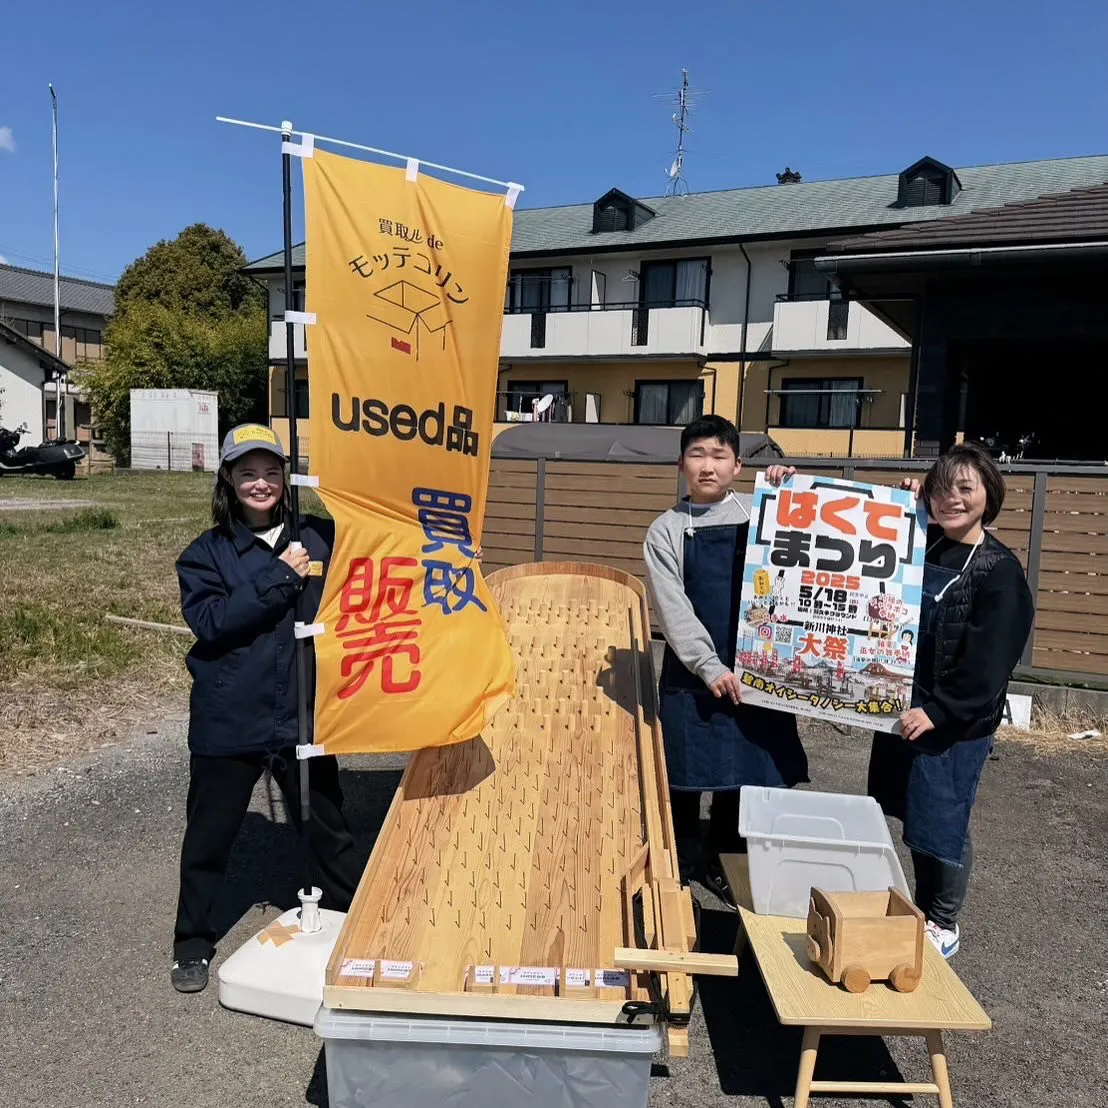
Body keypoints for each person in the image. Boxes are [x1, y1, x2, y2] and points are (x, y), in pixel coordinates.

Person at [170, 424, 363, 993]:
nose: (261, 483)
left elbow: (376, 566)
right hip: (229, 716)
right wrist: (282, 574)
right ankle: (192, 942)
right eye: (247, 472)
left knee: (327, 827)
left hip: (303, 712)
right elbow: (210, 623)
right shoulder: (205, 554)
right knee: (209, 834)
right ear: (228, 479)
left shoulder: (323, 537)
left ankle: (355, 924)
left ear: (287, 476)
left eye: (271, 471)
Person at [868, 443, 1034, 958]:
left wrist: (939, 711)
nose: (952, 499)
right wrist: (899, 505)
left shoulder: (999, 571)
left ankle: (943, 920)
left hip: (954, 722)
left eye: (966, 488)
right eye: (942, 488)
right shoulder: (922, 543)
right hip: (904, 706)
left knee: (943, 816)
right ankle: (918, 906)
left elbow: (988, 668)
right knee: (910, 812)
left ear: (990, 495)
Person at [643, 415, 808, 895]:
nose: (708, 466)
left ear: (737, 465)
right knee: (684, 776)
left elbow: (809, 553)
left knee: (745, 775)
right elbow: (672, 608)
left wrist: (788, 494)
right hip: (693, 675)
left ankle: (726, 860)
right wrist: (708, 665)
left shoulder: (761, 515)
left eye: (719, 456)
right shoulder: (666, 530)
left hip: (756, 670)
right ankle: (683, 858)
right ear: (681, 464)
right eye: (697, 455)